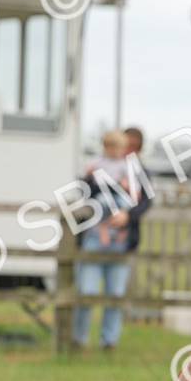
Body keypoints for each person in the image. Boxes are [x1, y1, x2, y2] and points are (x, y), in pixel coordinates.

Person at [73, 126, 153, 350]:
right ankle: (79, 339)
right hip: (92, 241)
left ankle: (109, 342)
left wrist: (128, 216)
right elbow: (84, 188)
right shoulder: (98, 164)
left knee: (115, 295)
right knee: (86, 292)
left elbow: (144, 201)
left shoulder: (136, 171)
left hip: (121, 242)